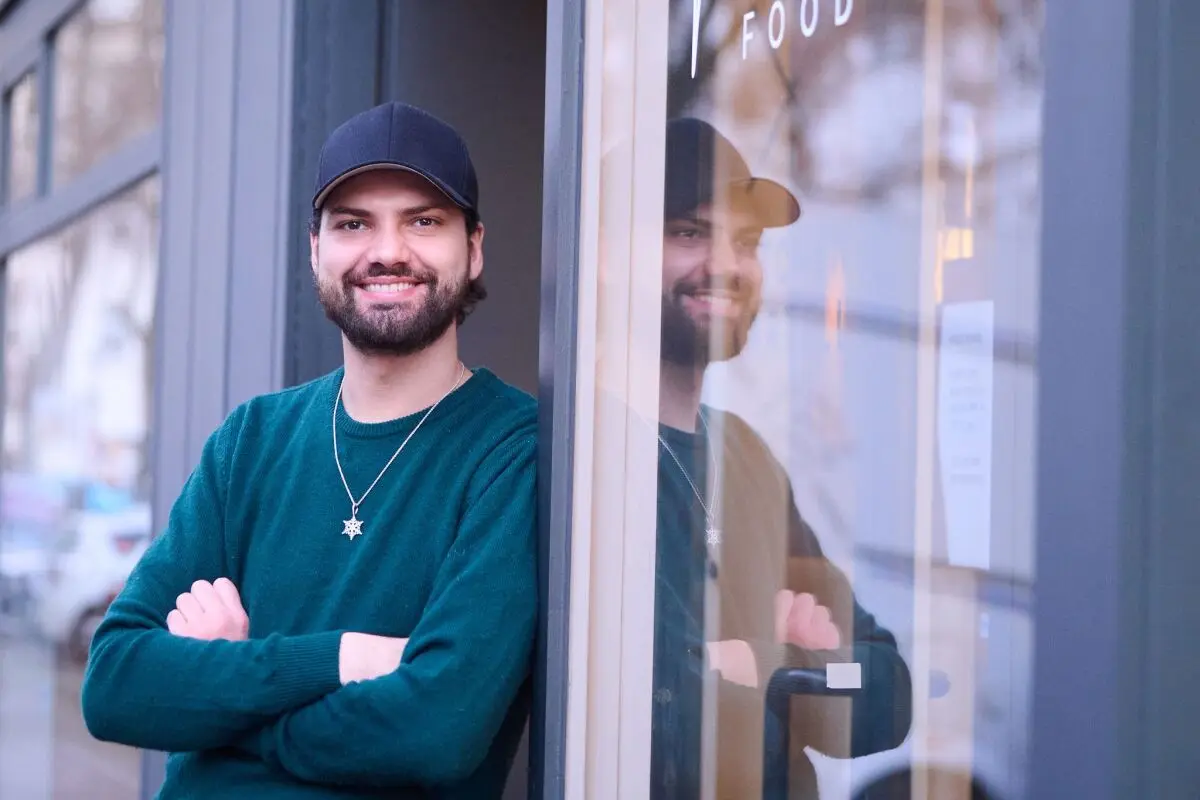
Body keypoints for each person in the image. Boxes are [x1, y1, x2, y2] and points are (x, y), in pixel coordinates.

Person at [81, 102, 538, 798]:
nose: (387, 251)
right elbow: (115, 684)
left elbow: (436, 729)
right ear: (316, 250)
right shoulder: (252, 439)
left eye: (423, 220)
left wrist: (224, 699)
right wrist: (342, 658)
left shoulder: (516, 449)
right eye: (354, 223)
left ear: (473, 247)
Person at [647, 118, 913, 798]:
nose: (728, 265)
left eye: (747, 242)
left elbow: (885, 689)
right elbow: (670, 709)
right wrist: (793, 670)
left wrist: (770, 663)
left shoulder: (747, 459)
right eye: (689, 232)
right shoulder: (577, 459)